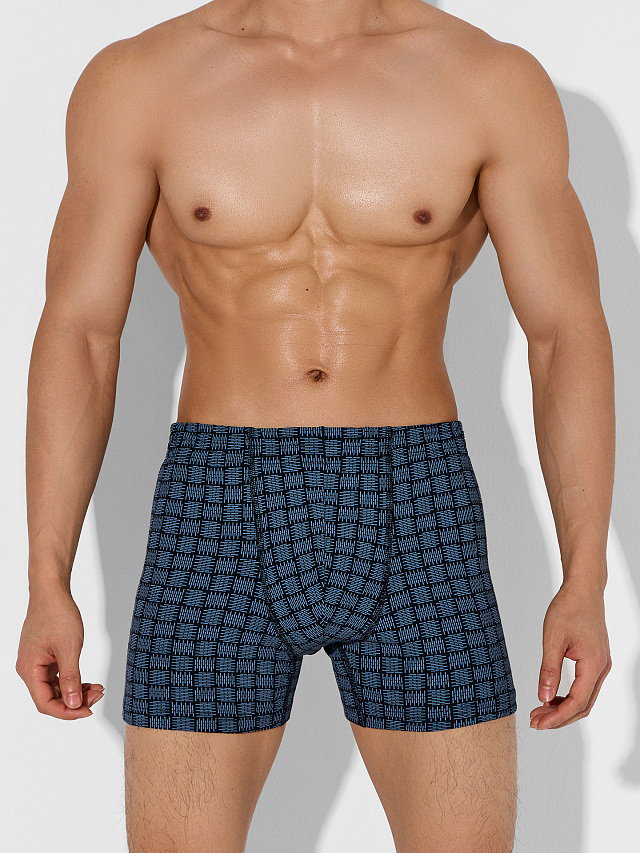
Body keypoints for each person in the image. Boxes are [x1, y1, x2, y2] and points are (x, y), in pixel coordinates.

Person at [16, 0, 615, 851]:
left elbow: (564, 333)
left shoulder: (489, 81)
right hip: (215, 505)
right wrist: (47, 577)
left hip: (419, 502)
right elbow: (80, 332)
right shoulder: (139, 81)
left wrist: (585, 576)